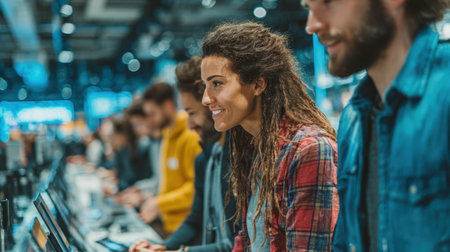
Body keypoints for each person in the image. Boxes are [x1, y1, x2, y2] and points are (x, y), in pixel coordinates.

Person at [303, 0, 450, 251]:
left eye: (329, 3)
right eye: (308, 8)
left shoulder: (443, 95)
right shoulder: (354, 119)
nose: (311, 25)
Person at [201, 22, 339, 251]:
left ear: (258, 84)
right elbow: (246, 241)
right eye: (206, 86)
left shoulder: (310, 150)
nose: (206, 99)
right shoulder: (255, 149)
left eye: (217, 83)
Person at [129, 56, 238, 251]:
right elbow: (196, 219)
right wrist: (162, 247)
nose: (190, 124)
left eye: (192, 113)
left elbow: (233, 244)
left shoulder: (236, 160)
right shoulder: (205, 159)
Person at [139, 82, 202, 235]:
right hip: (170, 225)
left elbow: (196, 189)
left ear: (167, 106)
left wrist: (160, 203)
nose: (149, 120)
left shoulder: (190, 137)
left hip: (188, 228)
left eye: (152, 114)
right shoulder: (167, 135)